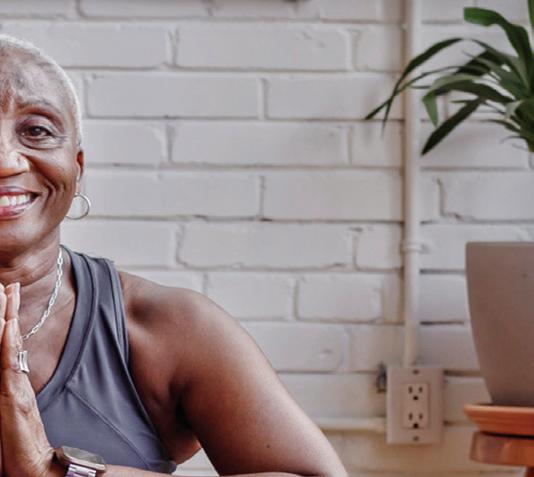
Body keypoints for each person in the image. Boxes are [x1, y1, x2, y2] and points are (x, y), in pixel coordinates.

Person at [0, 34, 348, 477]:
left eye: (36, 131)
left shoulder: (165, 328)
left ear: (77, 168)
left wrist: (54, 472)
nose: (6, 161)